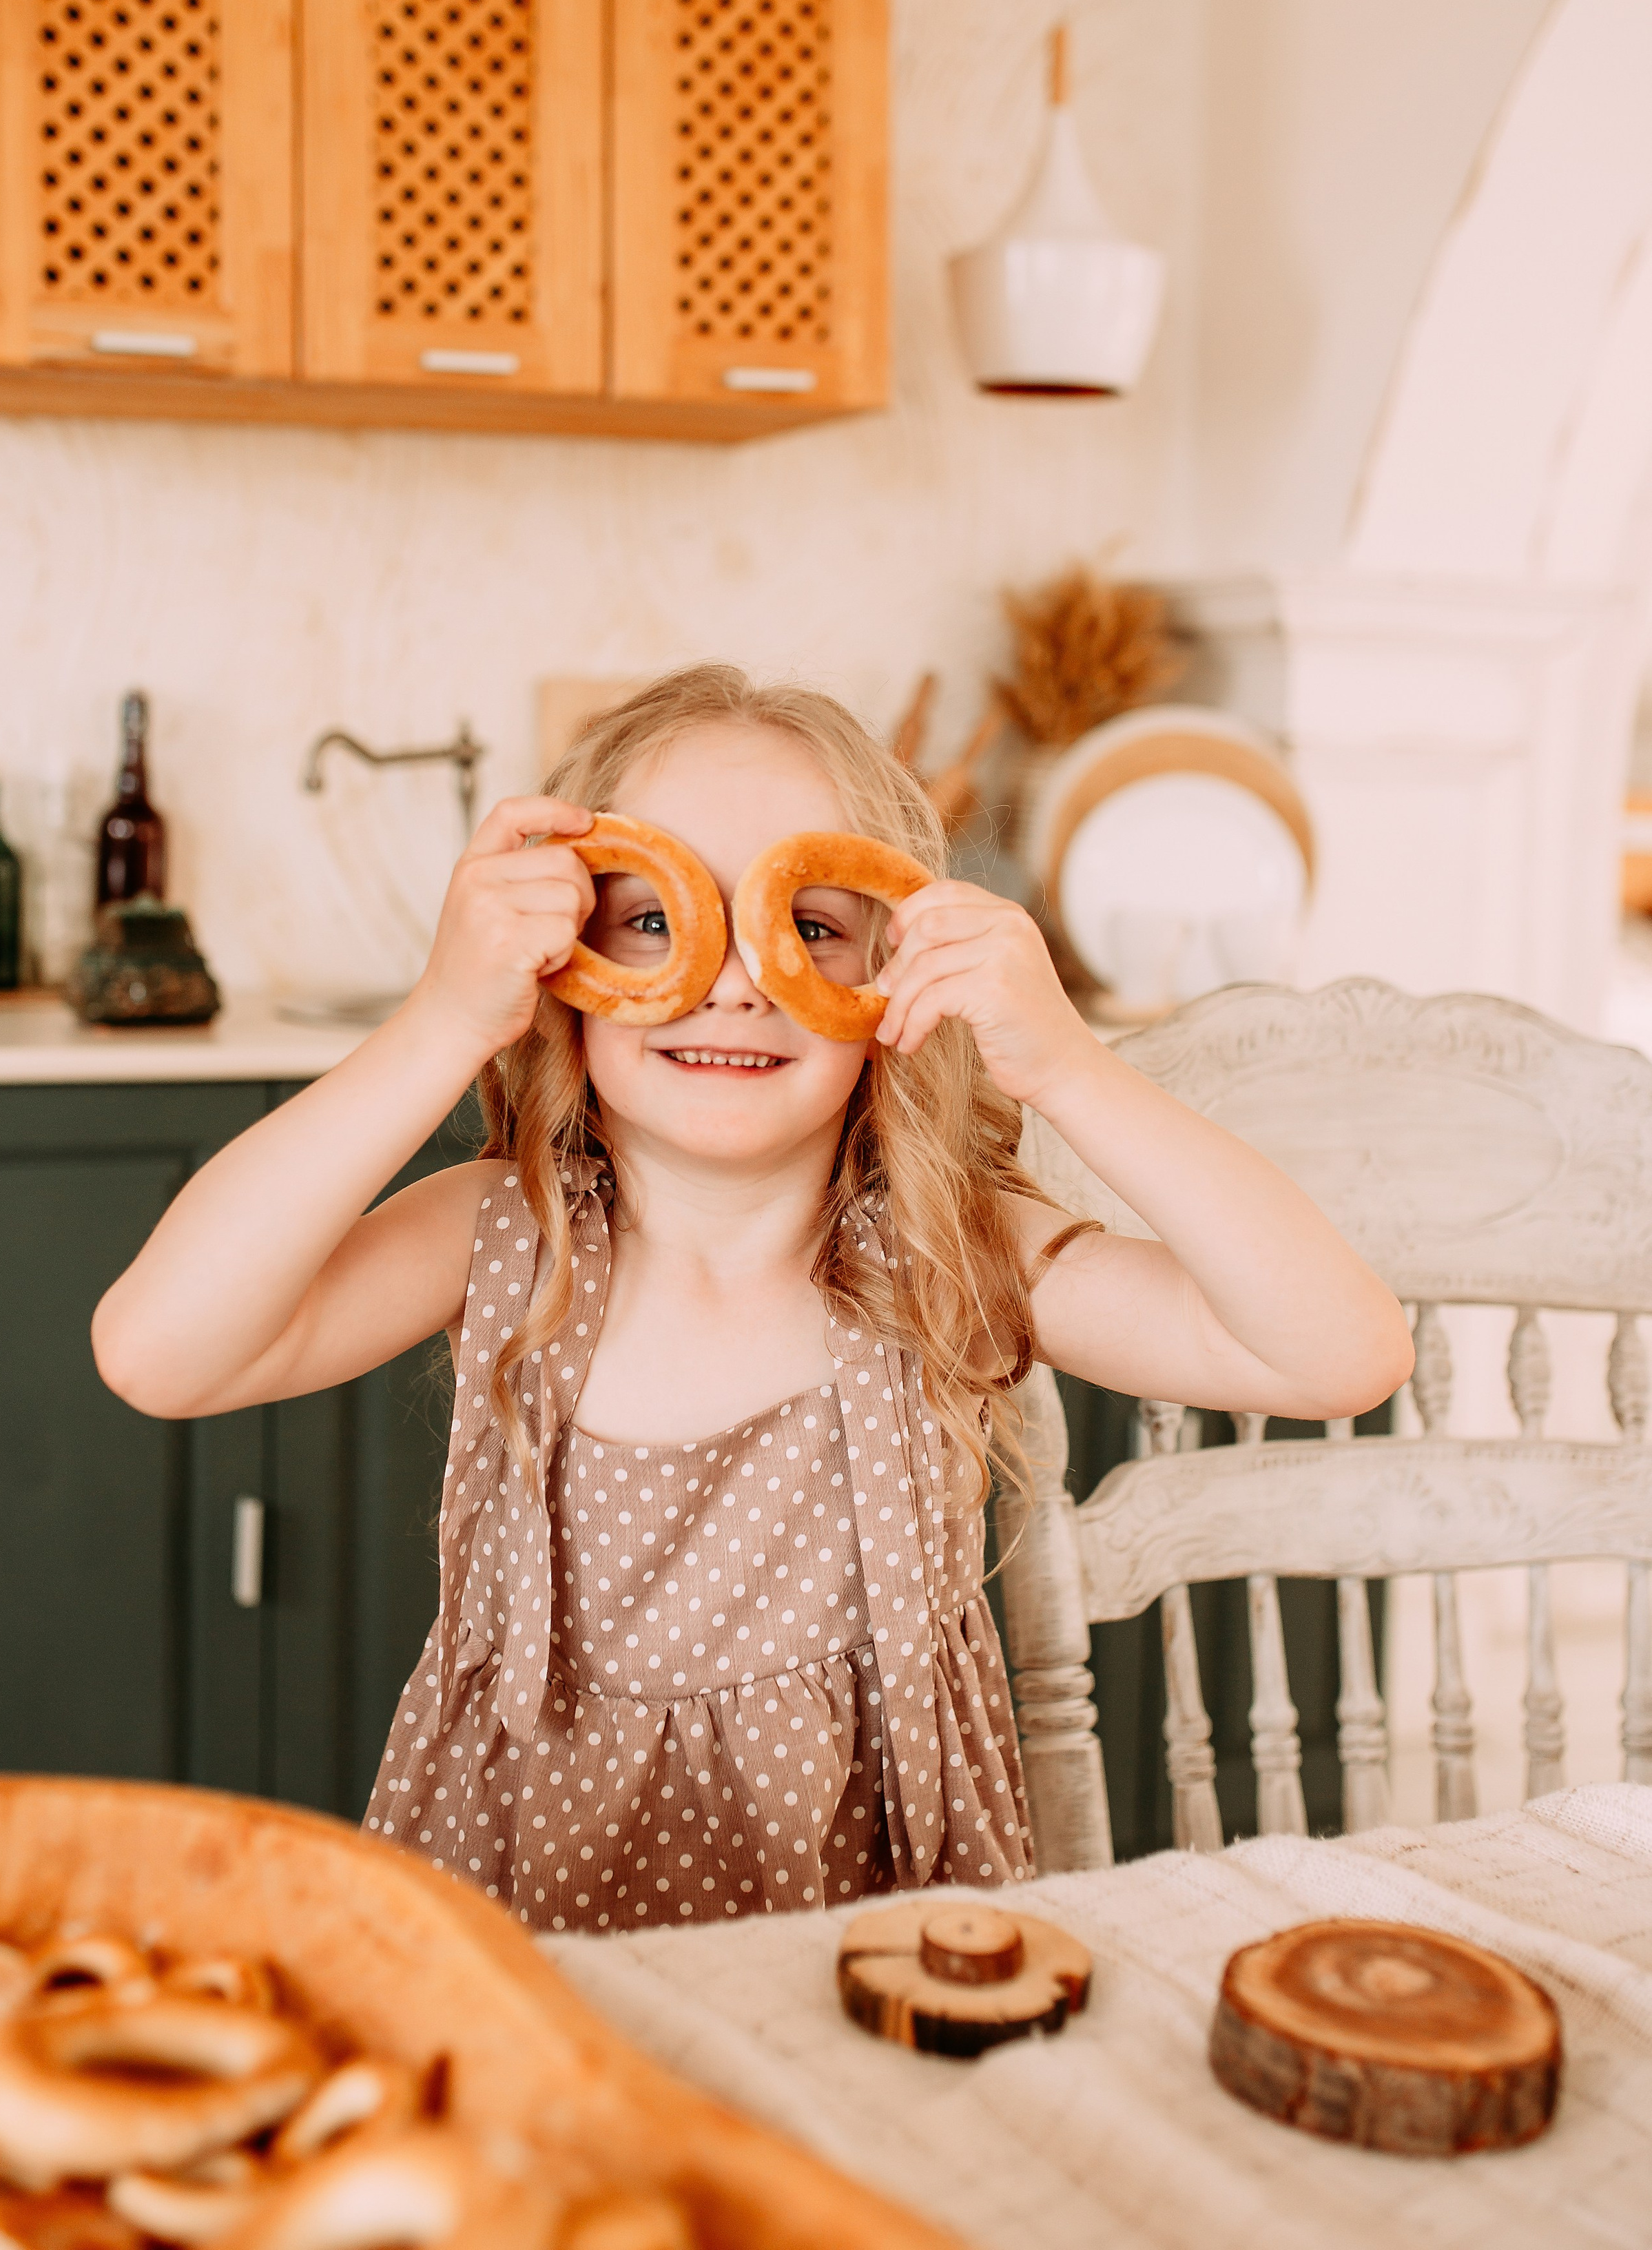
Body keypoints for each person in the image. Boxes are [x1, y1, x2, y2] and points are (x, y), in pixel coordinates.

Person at [94, 665, 1410, 1932]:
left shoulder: (948, 1253)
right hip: (531, 1933)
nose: (732, 977)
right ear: (564, 967)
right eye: (657, 920)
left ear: (893, 974)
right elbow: (160, 1355)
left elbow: (1338, 1357)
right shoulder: (506, 1234)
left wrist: (1068, 1067)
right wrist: (440, 1022)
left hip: (877, 1938)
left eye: (811, 928)